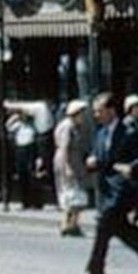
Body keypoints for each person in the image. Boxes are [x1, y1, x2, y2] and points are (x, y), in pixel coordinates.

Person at [84, 91, 138, 274]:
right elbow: (100, 157)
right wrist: (91, 162)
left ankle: (95, 268)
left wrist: (131, 167)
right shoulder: (100, 133)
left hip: (122, 188)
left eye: (99, 111)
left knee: (103, 225)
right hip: (106, 188)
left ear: (111, 111)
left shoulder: (129, 132)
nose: (96, 115)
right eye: (95, 112)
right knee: (121, 228)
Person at [53, 99, 89, 237]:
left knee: (74, 195)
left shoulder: (74, 126)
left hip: (74, 162)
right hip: (68, 163)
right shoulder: (68, 127)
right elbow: (64, 148)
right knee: (72, 194)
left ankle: (73, 224)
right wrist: (67, 167)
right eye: (81, 113)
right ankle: (67, 224)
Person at [5, 107, 43, 210]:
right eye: (22, 116)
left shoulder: (34, 126)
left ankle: (36, 202)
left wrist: (39, 157)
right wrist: (15, 117)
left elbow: (38, 141)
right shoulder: (18, 125)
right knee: (22, 177)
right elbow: (7, 126)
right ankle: (25, 202)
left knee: (32, 177)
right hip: (20, 150)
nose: (24, 118)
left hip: (30, 149)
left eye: (25, 116)